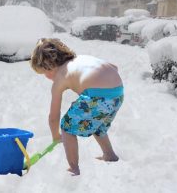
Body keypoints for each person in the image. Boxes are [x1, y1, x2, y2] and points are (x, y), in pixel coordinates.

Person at [30, 38, 124, 176]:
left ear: (49, 65)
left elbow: (54, 116)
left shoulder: (60, 78)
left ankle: (73, 167)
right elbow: (114, 67)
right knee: (98, 125)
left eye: (44, 72)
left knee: (67, 126)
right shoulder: (81, 59)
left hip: (96, 96)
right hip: (117, 93)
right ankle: (109, 155)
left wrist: (56, 136)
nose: (46, 77)